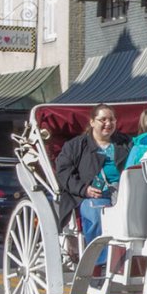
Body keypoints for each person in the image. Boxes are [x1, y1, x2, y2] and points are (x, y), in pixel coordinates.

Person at [55, 103, 131, 265]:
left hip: (125, 192)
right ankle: (99, 263)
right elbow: (63, 172)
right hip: (91, 195)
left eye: (111, 120)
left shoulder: (125, 143)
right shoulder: (75, 146)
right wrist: (84, 189)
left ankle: (132, 260)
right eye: (102, 119)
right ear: (92, 122)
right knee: (96, 213)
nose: (108, 124)